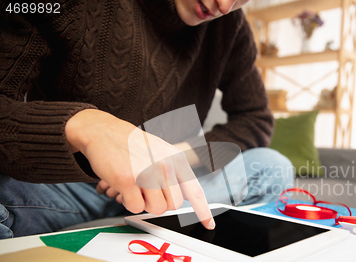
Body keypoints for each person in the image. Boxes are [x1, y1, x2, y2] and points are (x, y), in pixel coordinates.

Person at [0, 0, 294, 238]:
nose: (225, 5)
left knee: (272, 167)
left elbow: (255, 118)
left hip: (170, 189)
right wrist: (89, 129)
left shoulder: (230, 26)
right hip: (69, 183)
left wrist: (173, 157)